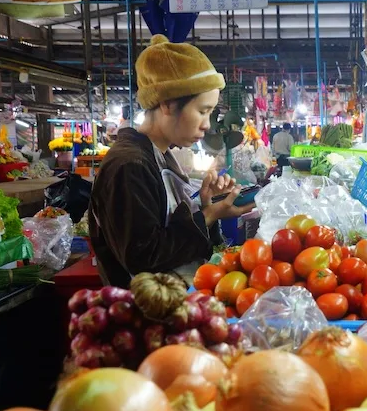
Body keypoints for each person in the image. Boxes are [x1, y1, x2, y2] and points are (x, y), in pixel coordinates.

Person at [89, 34, 254, 288]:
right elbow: (142, 256)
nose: (207, 125)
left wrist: (203, 203)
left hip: (175, 303)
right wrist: (208, 216)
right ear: (167, 104)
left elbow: (167, 229)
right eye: (202, 111)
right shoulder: (129, 166)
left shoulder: (159, 155)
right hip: (146, 314)